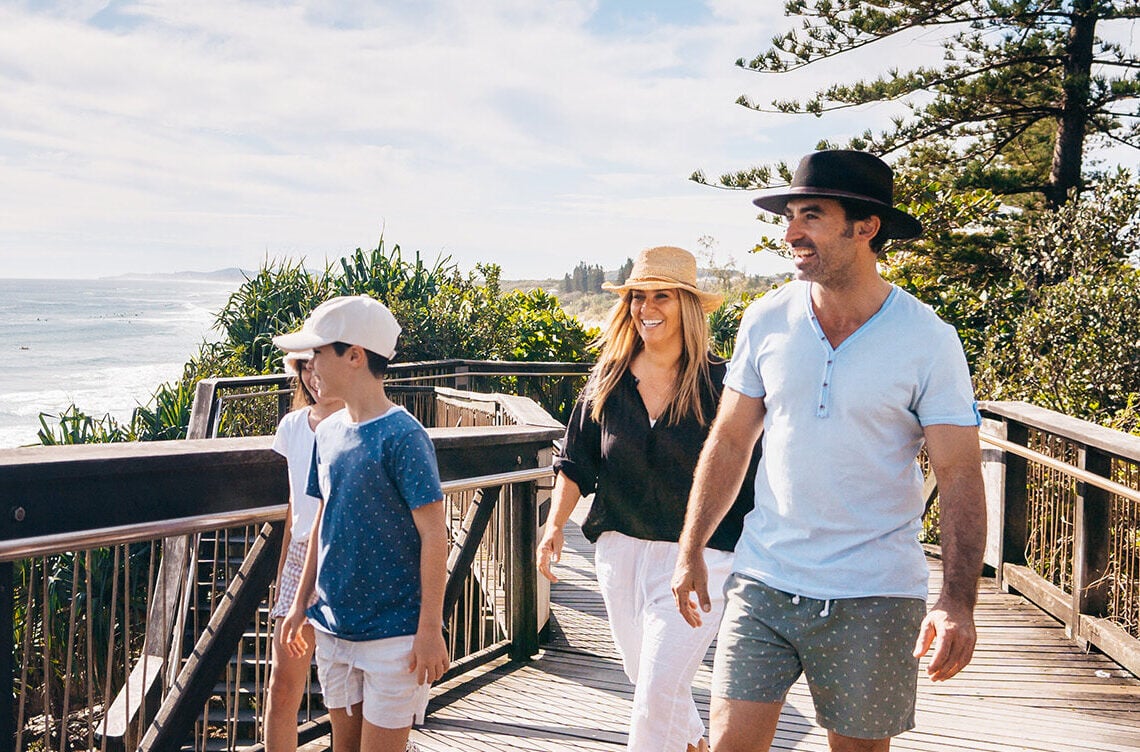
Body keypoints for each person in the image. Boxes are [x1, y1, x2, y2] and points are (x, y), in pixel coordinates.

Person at [670, 150, 986, 752]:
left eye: (810, 215)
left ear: (865, 227)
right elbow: (732, 439)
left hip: (876, 593)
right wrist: (691, 550)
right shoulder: (766, 320)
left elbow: (959, 472)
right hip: (764, 580)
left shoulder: (928, 340)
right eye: (789, 216)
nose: (791, 233)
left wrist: (957, 602)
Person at [538, 245, 758, 752]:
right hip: (619, 553)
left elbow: (751, 467)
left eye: (661, 296)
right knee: (651, 685)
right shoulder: (609, 379)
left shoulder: (722, 384)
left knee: (657, 692)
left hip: (702, 557)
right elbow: (575, 462)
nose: (646, 308)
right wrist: (554, 527)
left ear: (687, 305)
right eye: (638, 296)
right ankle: (696, 745)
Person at [275, 295, 449, 752]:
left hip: (394, 637)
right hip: (334, 628)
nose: (309, 365)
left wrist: (429, 630)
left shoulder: (404, 436)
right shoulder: (326, 433)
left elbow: (435, 533)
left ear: (354, 356)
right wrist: (298, 606)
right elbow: (322, 522)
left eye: (317, 353)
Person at [264, 350, 344, 752]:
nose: (313, 377)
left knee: (346, 693)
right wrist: (283, 572)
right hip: (300, 555)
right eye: (305, 368)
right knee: (282, 685)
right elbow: (296, 503)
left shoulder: (359, 424)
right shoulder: (293, 426)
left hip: (348, 558)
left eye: (318, 366)